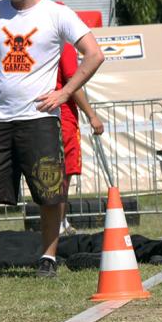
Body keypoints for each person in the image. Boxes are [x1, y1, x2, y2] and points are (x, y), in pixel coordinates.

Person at [0, 0, 105, 279]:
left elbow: (94, 54)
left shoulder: (56, 14)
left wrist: (65, 93)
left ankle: (48, 257)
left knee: (49, 191)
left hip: (40, 118)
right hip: (0, 118)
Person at [56, 42, 104, 235]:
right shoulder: (64, 47)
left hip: (46, 114)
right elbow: (72, 83)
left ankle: (61, 221)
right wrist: (91, 115)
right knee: (62, 173)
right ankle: (58, 223)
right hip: (62, 116)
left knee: (55, 173)